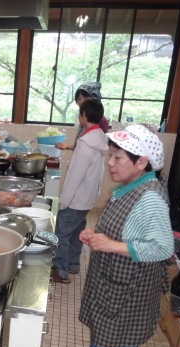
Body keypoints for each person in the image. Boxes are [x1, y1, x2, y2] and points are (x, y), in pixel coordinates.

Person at [48, 124, 173, 347]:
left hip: (127, 291)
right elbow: (132, 230)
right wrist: (99, 235)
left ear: (142, 162)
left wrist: (111, 245)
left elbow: (162, 247)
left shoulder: (150, 199)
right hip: (125, 285)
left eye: (118, 157)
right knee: (127, 342)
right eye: (111, 155)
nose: (111, 162)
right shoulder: (133, 188)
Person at [51, 99, 108, 283]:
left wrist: (64, 201)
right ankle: (73, 264)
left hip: (75, 199)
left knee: (62, 233)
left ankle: (60, 271)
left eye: (79, 113)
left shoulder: (85, 143)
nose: (79, 116)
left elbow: (75, 176)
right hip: (87, 198)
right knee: (76, 232)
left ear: (84, 116)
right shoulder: (99, 138)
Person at [56, 82, 109, 151]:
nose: (81, 101)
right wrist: (67, 146)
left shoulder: (100, 120)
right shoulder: (83, 118)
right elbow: (79, 146)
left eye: (85, 97)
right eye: (79, 98)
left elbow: (102, 148)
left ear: (94, 98)